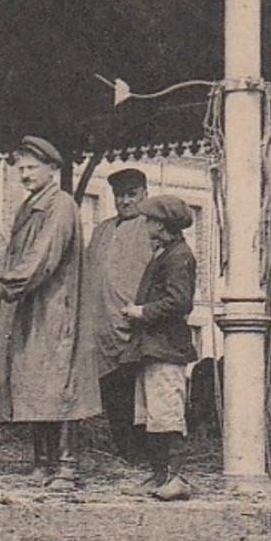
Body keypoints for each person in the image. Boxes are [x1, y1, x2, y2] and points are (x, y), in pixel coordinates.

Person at [0, 135, 101, 487]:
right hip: (32, 309)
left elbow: (42, 258)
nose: (24, 174)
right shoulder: (29, 207)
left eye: (31, 167)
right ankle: (43, 463)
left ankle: (67, 467)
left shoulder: (60, 205)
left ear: (52, 169)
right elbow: (12, 257)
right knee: (34, 382)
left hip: (55, 309)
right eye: (20, 168)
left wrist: (6, 285)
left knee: (59, 383)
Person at [122, 194, 198, 501]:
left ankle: (177, 477)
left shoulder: (179, 256)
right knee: (151, 415)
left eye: (151, 220)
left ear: (163, 224)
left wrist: (142, 311)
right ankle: (159, 475)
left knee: (167, 414)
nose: (146, 224)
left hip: (166, 348)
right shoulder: (165, 253)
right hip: (152, 347)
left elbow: (180, 301)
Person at [82, 167, 156, 463]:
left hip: (134, 327)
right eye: (119, 195)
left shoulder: (152, 228)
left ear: (144, 194)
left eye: (131, 194)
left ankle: (142, 456)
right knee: (112, 394)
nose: (124, 201)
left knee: (136, 393)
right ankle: (123, 451)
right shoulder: (102, 231)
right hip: (102, 329)